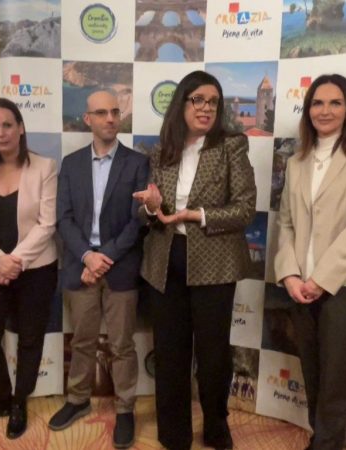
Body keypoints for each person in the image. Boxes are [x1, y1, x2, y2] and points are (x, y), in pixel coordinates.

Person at [133, 70, 257, 450]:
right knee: (170, 352)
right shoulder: (163, 150)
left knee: (213, 354)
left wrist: (196, 215)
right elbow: (149, 213)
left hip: (215, 265)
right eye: (198, 100)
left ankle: (216, 426)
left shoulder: (231, 146)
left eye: (213, 102)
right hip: (164, 263)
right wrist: (152, 207)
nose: (206, 108)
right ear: (182, 104)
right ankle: (174, 433)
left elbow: (245, 209)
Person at [274, 74, 346, 450]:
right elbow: (286, 223)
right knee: (313, 371)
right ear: (308, 109)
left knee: (336, 378)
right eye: (317, 103)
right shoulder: (297, 161)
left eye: (335, 102)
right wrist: (290, 275)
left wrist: (321, 279)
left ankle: (325, 445)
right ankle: (320, 439)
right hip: (300, 286)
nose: (325, 110)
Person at [48, 90, 148, 449]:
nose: (110, 118)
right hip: (80, 267)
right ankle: (77, 400)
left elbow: (138, 222)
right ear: (87, 119)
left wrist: (103, 257)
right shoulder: (71, 164)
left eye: (115, 112)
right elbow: (64, 218)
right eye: (102, 113)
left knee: (122, 345)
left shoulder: (138, 163)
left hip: (119, 268)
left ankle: (125, 409)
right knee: (82, 340)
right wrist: (87, 257)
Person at [0, 98, 58, 440]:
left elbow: (47, 223)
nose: (1, 132)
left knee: (29, 339)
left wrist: (14, 261)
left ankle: (19, 402)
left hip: (37, 270)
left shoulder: (44, 166)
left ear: (20, 127)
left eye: (7, 124)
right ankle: (1, 398)